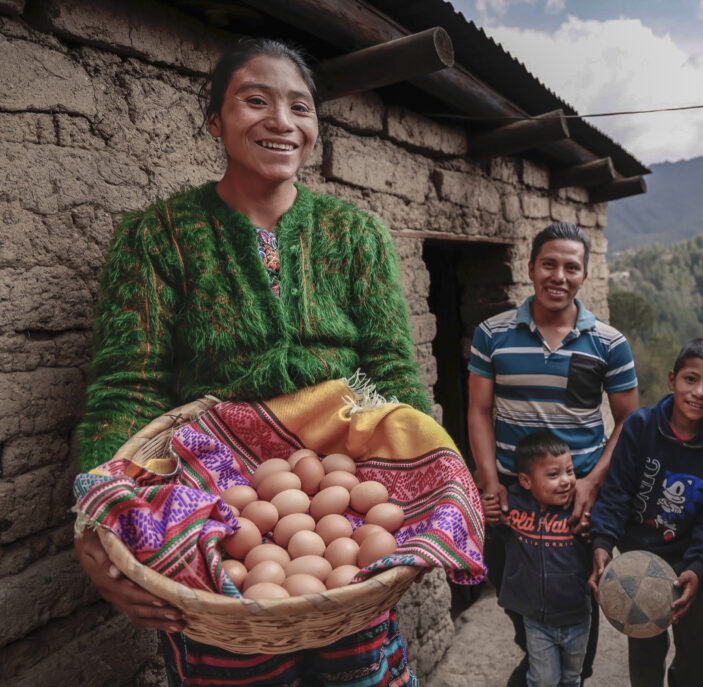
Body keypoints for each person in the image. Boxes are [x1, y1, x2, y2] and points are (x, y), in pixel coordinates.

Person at [73, 38, 430, 686]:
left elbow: (384, 372)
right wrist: (101, 510)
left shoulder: (355, 234)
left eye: (300, 106)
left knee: (357, 663)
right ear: (215, 120)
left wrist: (415, 475)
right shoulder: (159, 236)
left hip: (336, 482)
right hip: (213, 488)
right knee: (237, 663)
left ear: (316, 128)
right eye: (255, 100)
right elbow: (130, 384)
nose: (282, 121)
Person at [468, 221, 639, 684]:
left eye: (571, 266)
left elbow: (629, 422)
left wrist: (591, 481)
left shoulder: (609, 343)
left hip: (577, 501)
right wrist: (489, 482)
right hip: (513, 499)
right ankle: (537, 667)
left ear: (584, 275)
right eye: (549, 264)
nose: (558, 276)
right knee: (516, 596)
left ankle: (563, 675)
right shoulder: (493, 334)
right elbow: (479, 411)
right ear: (530, 268)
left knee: (579, 601)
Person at [588, 338, 703, 687]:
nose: (699, 392)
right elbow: (616, 493)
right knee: (644, 652)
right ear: (672, 380)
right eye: (691, 379)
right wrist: (601, 543)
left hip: (693, 571)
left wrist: (698, 568)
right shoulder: (640, 428)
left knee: (694, 653)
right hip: (638, 565)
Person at [484, 431, 592, 687]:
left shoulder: (580, 512)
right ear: (525, 480)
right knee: (544, 679)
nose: (566, 481)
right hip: (535, 620)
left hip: (577, 616)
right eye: (553, 475)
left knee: (571, 677)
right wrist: (486, 514)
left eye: (569, 471)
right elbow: (487, 530)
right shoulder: (512, 508)